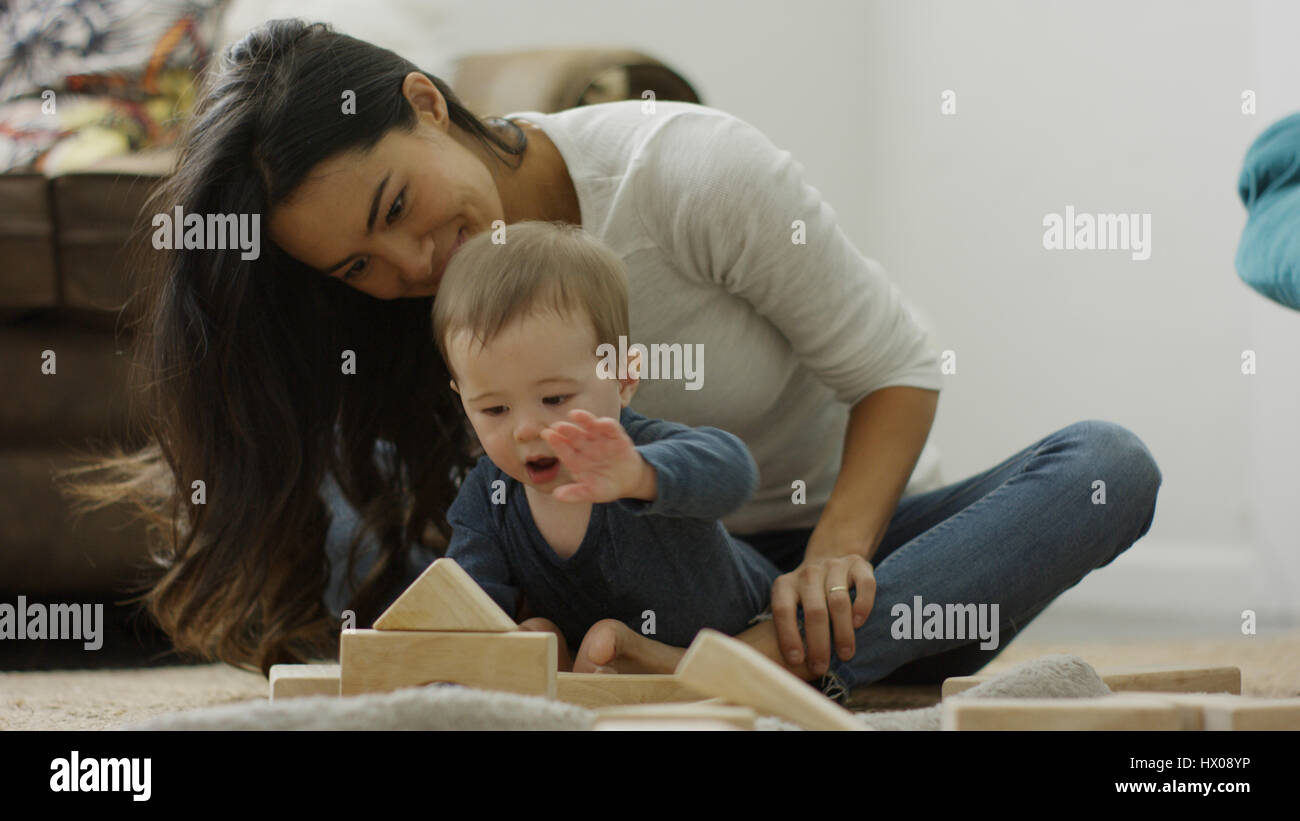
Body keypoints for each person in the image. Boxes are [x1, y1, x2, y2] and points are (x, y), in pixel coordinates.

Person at [63, 19, 1163, 700]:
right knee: (358, 506)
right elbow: (457, 516)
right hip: (607, 585)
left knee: (1103, 464)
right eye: (361, 262)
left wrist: (836, 556)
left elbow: (897, 366)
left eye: (399, 205)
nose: (412, 261)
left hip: (829, 574)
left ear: (426, 104)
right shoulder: (407, 305)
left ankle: (749, 668)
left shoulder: (686, 174)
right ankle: (705, 675)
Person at [432, 220, 781, 668]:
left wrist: (640, 474)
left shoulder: (633, 449)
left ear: (624, 376)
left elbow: (735, 473)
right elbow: (468, 607)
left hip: (749, 627)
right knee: (526, 637)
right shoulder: (489, 497)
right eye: (494, 410)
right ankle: (584, 660)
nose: (525, 430)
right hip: (603, 651)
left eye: (554, 398)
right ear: (463, 401)